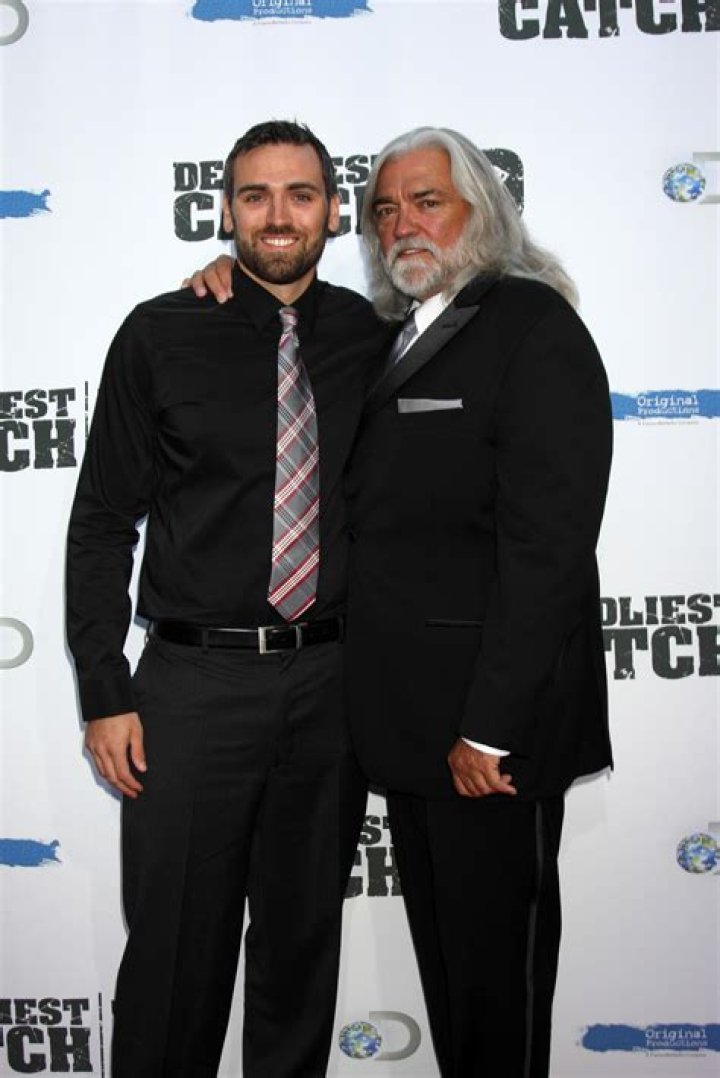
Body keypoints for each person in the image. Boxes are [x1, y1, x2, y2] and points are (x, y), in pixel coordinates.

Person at [192, 126, 613, 1078]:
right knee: (454, 983)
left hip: (488, 741)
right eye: (384, 210)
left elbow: (548, 550)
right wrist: (223, 275)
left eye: (428, 202)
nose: (401, 225)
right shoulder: (399, 334)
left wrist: (491, 730)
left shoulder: (532, 327)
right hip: (418, 731)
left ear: (482, 211)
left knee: (496, 993)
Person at [66, 120, 389, 1078]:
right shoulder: (159, 333)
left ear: (334, 210)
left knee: (300, 953)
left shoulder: (377, 339)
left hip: (330, 687)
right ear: (225, 211)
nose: (278, 215)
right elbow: (102, 522)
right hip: (191, 688)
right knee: (173, 956)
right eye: (256, 196)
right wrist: (103, 688)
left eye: (300, 194)